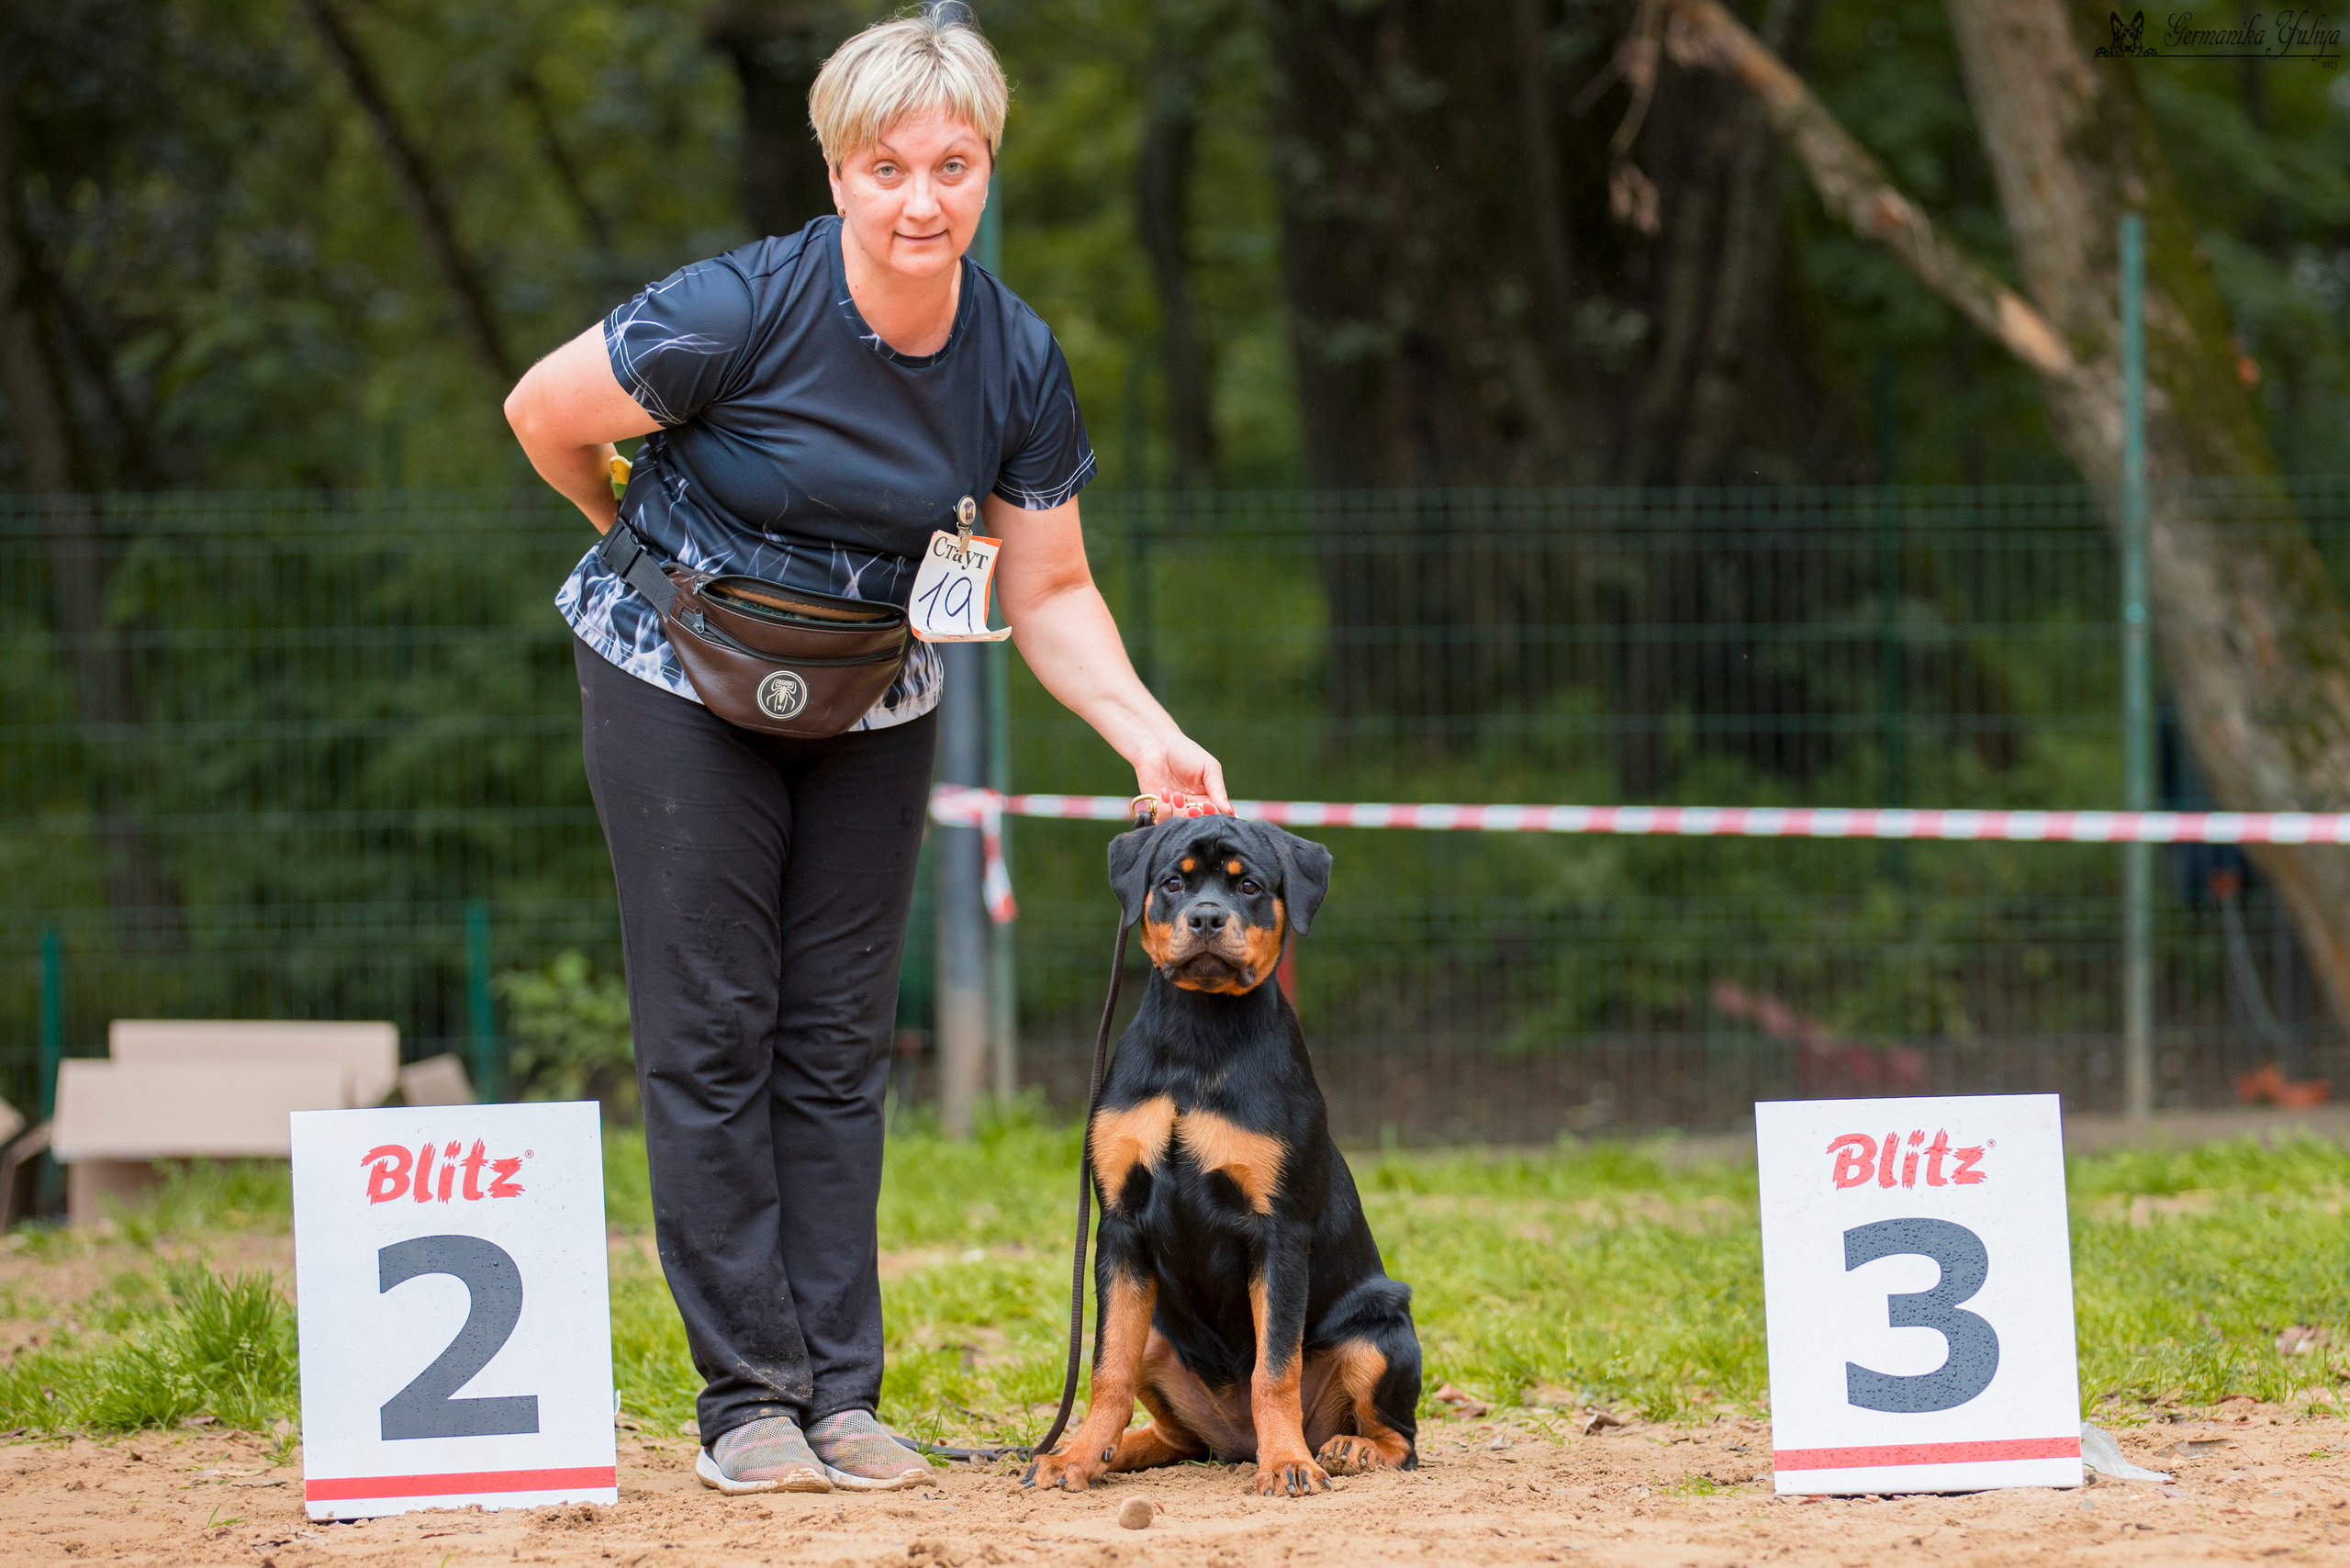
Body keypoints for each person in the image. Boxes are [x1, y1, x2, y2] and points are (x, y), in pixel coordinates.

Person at [501, 13, 1228, 1495]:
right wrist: (632, 540)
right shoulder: (734, 310)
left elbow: (1050, 588)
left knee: (838, 1045)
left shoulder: (1015, 359)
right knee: (713, 1031)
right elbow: (544, 414)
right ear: (837, 173)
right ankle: (748, 1405)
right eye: (886, 167)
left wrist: (1150, 734)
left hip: (874, 696)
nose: (920, 199)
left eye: (953, 166)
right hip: (672, 675)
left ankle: (842, 1397)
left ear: (986, 171)